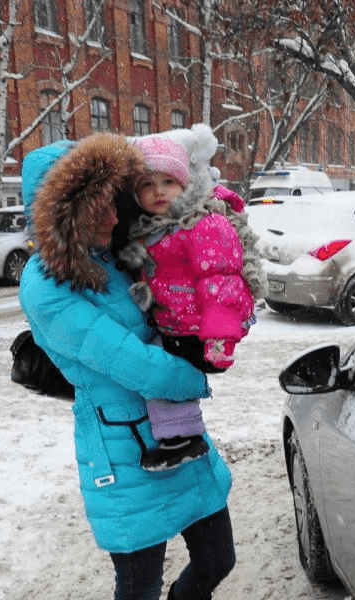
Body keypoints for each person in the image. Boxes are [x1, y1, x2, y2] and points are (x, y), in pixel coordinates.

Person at [18, 133, 236, 600]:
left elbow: (183, 277)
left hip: (181, 435)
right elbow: (129, 361)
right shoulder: (48, 285)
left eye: (118, 200)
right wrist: (196, 372)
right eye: (102, 206)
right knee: (135, 595)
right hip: (124, 448)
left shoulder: (117, 253)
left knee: (218, 556)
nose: (119, 216)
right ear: (66, 213)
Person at [120, 125, 256, 472]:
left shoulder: (202, 225)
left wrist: (220, 339)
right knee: (159, 374)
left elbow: (220, 282)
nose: (158, 191)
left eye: (168, 182)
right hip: (174, 325)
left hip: (201, 330)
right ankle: (180, 438)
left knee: (160, 374)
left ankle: (183, 438)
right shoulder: (151, 231)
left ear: (184, 184)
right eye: (147, 185)